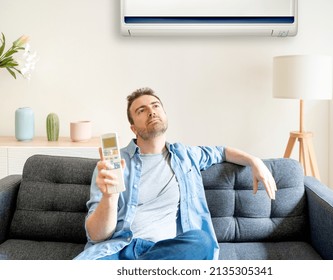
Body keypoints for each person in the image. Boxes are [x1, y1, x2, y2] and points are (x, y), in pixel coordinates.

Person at [74, 87, 277, 260]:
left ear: (164, 114)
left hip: (168, 251)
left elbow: (222, 152)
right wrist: (110, 197)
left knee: (202, 242)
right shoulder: (111, 166)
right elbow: (97, 235)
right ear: (133, 128)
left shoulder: (186, 155)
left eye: (155, 106)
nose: (151, 112)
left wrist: (254, 161)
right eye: (142, 110)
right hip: (120, 250)